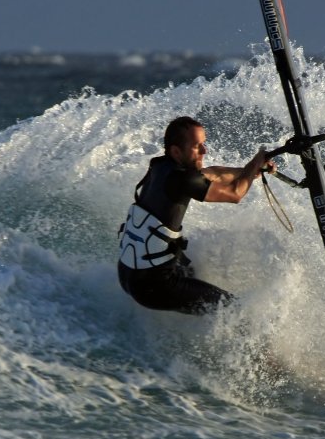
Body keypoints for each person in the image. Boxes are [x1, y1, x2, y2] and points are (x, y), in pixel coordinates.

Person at [117, 116, 274, 315]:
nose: (204, 151)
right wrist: (257, 161)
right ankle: (262, 347)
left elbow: (211, 174)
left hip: (128, 274)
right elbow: (235, 194)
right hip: (155, 287)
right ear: (176, 151)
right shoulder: (183, 179)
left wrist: (249, 171)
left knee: (192, 271)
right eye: (197, 146)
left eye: (204, 144)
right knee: (233, 308)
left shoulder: (161, 166)